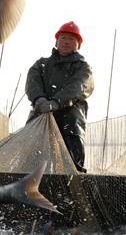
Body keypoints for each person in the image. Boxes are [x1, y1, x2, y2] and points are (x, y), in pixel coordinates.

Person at [26, 21, 95, 172]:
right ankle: (28, 180)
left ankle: (74, 178)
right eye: (63, 38)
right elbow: (32, 82)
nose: (66, 42)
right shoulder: (41, 64)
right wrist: (39, 99)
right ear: (57, 41)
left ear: (78, 44)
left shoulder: (83, 67)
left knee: (72, 142)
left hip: (70, 113)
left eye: (71, 39)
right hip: (41, 110)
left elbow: (80, 86)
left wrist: (57, 102)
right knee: (30, 144)